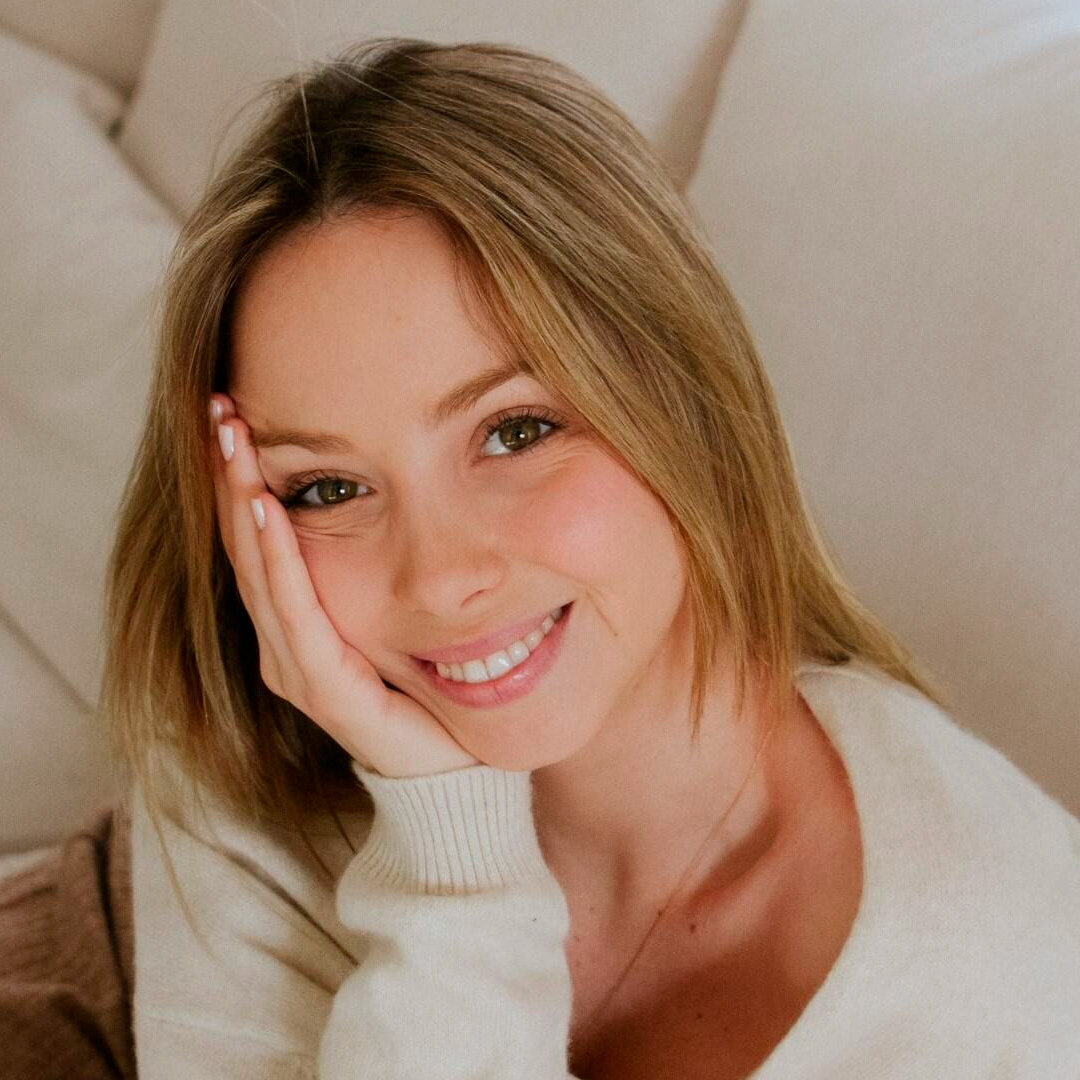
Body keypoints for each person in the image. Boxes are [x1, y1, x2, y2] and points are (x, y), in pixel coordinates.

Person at [99, 37, 1080, 1079]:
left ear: (685, 395)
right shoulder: (245, 778)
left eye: (515, 432)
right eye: (328, 490)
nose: (440, 578)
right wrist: (450, 853)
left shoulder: (1003, 962)